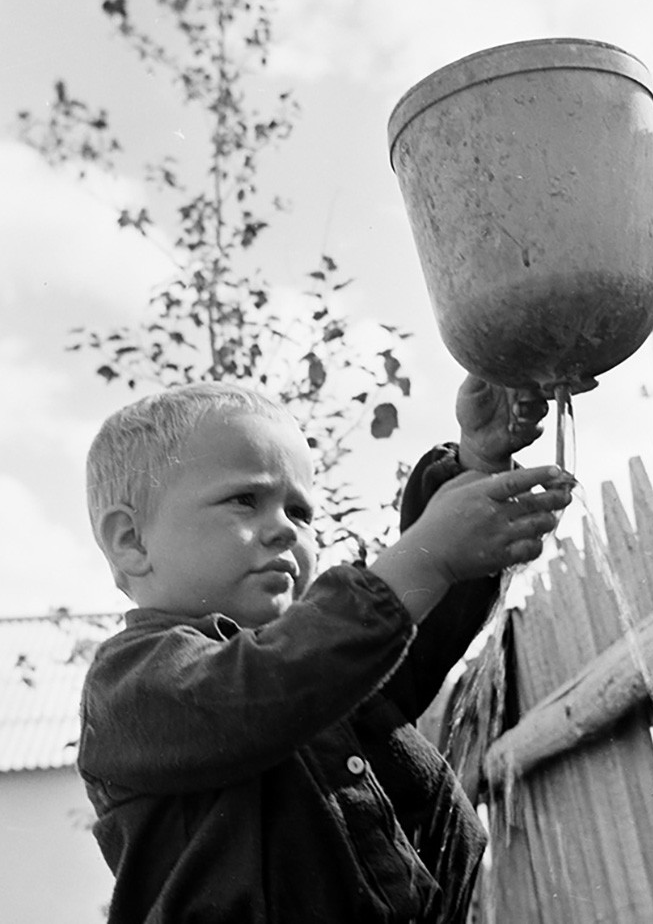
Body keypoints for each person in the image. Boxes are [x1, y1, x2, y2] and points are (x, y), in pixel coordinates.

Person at [78, 375, 572, 923]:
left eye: (300, 512)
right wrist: (425, 558)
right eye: (246, 500)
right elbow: (265, 689)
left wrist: (478, 467)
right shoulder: (133, 683)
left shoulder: (322, 671)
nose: (285, 530)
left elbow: (403, 639)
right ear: (131, 540)